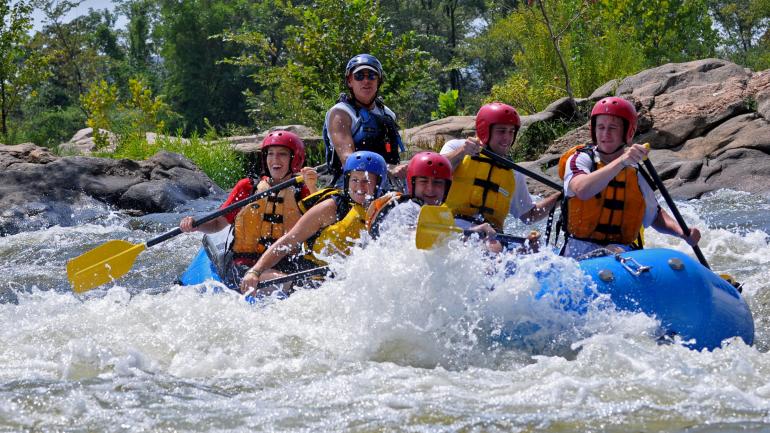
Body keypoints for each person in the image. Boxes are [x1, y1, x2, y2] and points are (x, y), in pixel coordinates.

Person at [559, 96, 701, 258]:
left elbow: (654, 216)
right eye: (601, 127)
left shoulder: (636, 171)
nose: (605, 134)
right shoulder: (580, 159)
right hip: (579, 251)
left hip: (621, 251)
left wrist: (682, 232)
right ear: (594, 130)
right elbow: (582, 190)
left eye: (612, 128)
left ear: (629, 132)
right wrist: (621, 161)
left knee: (616, 250)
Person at [179, 131, 318, 286]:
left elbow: (321, 226)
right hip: (245, 264)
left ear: (295, 159)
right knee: (280, 281)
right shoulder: (248, 187)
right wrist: (195, 224)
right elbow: (218, 224)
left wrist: (313, 188)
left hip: (287, 262)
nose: (274, 159)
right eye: (270, 154)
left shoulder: (303, 190)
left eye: (282, 154)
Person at [240, 150, 389, 296]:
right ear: (347, 181)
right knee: (263, 278)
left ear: (379, 183)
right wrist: (255, 271)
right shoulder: (331, 208)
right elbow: (289, 240)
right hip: (307, 277)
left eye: (366, 181)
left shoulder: (386, 211)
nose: (359, 187)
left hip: (346, 282)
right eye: (355, 180)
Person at [440, 102, 561, 232]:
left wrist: (560, 197)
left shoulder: (513, 172)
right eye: (501, 131)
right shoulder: (456, 147)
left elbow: (529, 216)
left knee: (530, 247)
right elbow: (436, 172)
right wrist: (462, 152)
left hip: (491, 237)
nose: (507, 138)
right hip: (452, 228)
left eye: (511, 132)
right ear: (484, 130)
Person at [322, 53, 406, 188]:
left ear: (378, 81)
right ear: (350, 81)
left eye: (372, 76)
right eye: (359, 76)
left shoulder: (388, 114)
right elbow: (348, 161)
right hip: (350, 186)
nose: (366, 81)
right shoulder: (340, 113)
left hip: (388, 184)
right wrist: (389, 168)